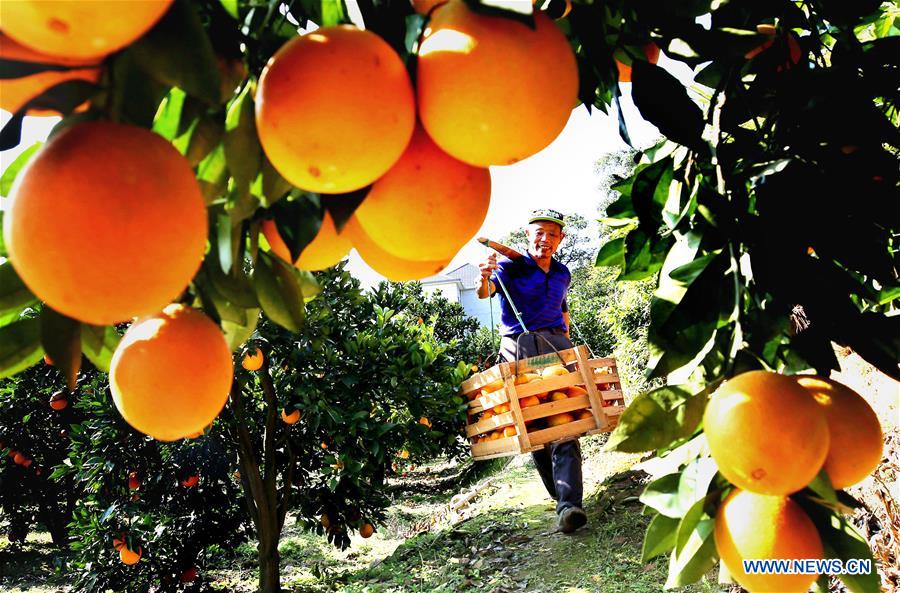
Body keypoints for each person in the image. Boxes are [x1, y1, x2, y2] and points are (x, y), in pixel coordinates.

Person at [476, 208, 587, 534]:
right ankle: (561, 497)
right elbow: (487, 292)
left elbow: (562, 309)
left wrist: (566, 343)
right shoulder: (510, 267)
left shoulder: (563, 273)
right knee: (536, 426)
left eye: (553, 234)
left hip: (556, 345)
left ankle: (570, 505)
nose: (545, 239)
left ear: (560, 239)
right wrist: (483, 277)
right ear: (528, 235)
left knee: (566, 417)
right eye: (539, 233)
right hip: (518, 346)